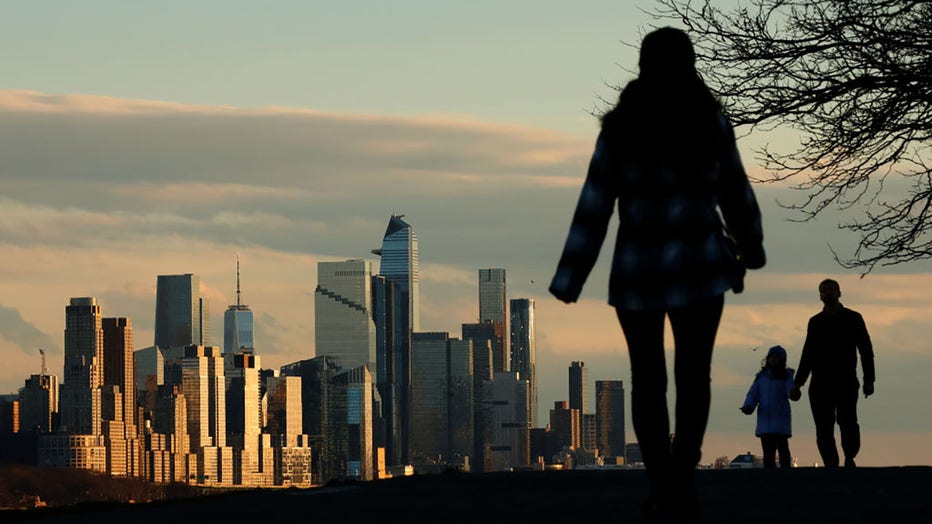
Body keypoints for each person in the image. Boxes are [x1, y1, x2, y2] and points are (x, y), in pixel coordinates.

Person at [548, 26, 765, 522]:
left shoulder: (621, 129)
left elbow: (595, 207)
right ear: (690, 66)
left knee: (646, 380)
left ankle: (661, 481)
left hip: (637, 272)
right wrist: (750, 248)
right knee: (694, 376)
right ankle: (683, 477)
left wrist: (570, 278)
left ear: (643, 68)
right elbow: (735, 189)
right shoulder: (709, 122)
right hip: (701, 268)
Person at [790, 278, 875, 468]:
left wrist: (869, 380)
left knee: (848, 422)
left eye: (830, 290)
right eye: (823, 291)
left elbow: (866, 350)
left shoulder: (853, 318)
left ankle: (849, 456)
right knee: (823, 428)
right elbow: (808, 354)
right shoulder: (815, 322)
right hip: (820, 383)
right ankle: (831, 465)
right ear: (820, 296)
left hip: (845, 381)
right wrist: (798, 384)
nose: (827, 293)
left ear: (839, 293)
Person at [740, 345, 795, 468]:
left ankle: (786, 474)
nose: (774, 359)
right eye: (772, 356)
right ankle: (769, 476)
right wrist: (748, 406)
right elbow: (753, 394)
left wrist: (794, 393)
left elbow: (791, 391)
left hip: (780, 419)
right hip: (765, 422)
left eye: (777, 357)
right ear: (768, 359)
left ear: (782, 361)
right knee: (768, 453)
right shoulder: (761, 378)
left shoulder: (786, 377)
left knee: (783, 450)